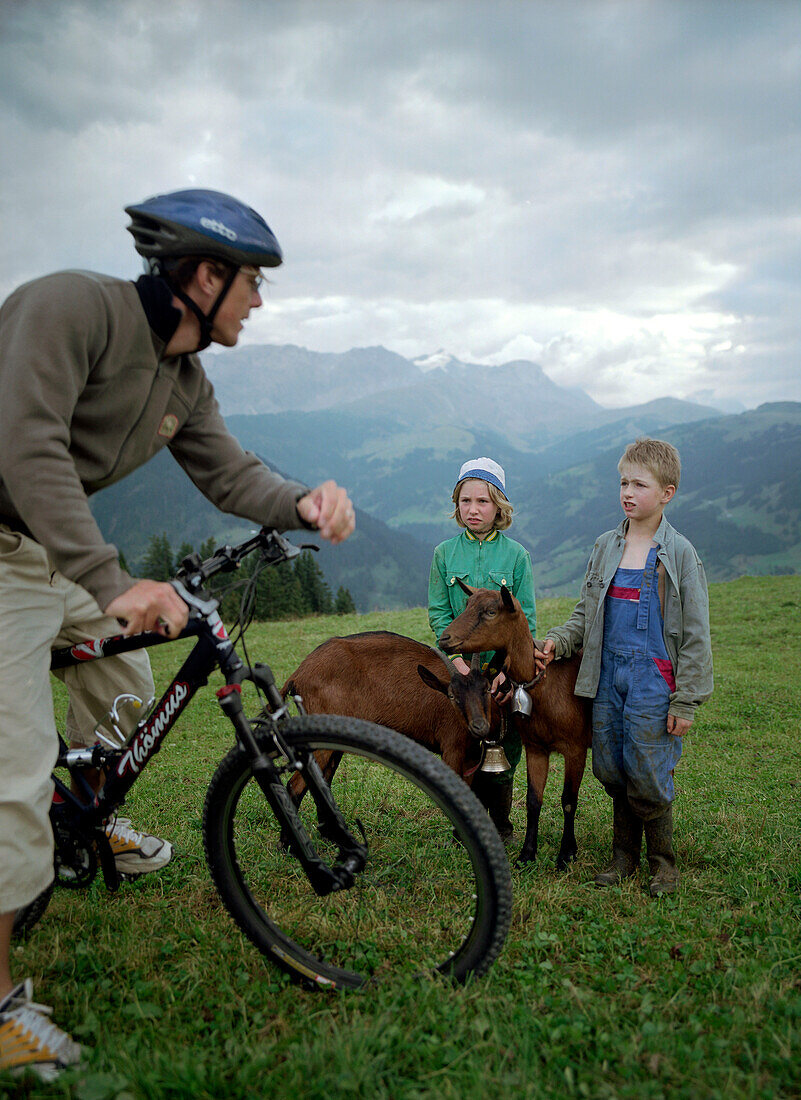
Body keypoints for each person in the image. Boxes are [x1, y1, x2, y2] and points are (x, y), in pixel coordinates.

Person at [0, 189, 355, 1081]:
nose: (259, 303)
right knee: (7, 773)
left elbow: (226, 470)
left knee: (121, 677)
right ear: (204, 275)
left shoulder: (185, 378)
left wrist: (299, 501)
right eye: (251, 284)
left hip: (49, 551)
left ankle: (82, 809)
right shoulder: (71, 308)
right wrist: (113, 581)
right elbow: (29, 445)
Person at [536, 439, 712, 896]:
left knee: (647, 767)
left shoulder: (679, 555)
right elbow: (585, 612)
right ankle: (623, 856)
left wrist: (686, 699)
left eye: (639, 484)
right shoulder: (604, 547)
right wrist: (559, 640)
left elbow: (695, 633)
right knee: (611, 766)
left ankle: (662, 862)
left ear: (667, 493)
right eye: (623, 483)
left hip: (654, 677)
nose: (627, 492)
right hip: (605, 674)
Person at [428, 458, 537, 843]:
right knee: (463, 744)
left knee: (504, 744)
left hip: (500, 670)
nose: (473, 509)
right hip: (460, 668)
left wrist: (507, 670)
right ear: (456, 504)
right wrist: (456, 664)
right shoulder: (444, 554)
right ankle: (467, 823)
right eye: (465, 500)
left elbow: (528, 623)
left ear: (499, 507)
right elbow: (440, 614)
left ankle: (502, 826)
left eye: (483, 501)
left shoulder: (516, 556)